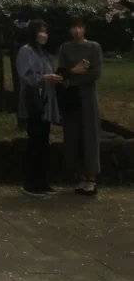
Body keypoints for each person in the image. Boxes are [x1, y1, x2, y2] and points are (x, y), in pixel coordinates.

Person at [16, 18, 62, 197]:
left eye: (45, 30)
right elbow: (27, 76)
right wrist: (45, 78)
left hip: (46, 101)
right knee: (35, 141)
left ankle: (43, 182)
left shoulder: (43, 53)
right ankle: (31, 183)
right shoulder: (26, 51)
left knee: (43, 142)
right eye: (40, 31)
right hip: (34, 101)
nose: (43, 34)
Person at [57, 15, 103, 196]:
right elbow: (61, 72)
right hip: (71, 98)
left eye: (79, 27)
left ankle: (92, 177)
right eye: (73, 27)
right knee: (73, 134)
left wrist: (72, 80)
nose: (76, 31)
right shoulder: (65, 48)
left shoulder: (93, 47)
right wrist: (70, 74)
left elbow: (95, 73)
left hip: (88, 96)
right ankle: (80, 175)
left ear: (84, 28)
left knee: (89, 134)